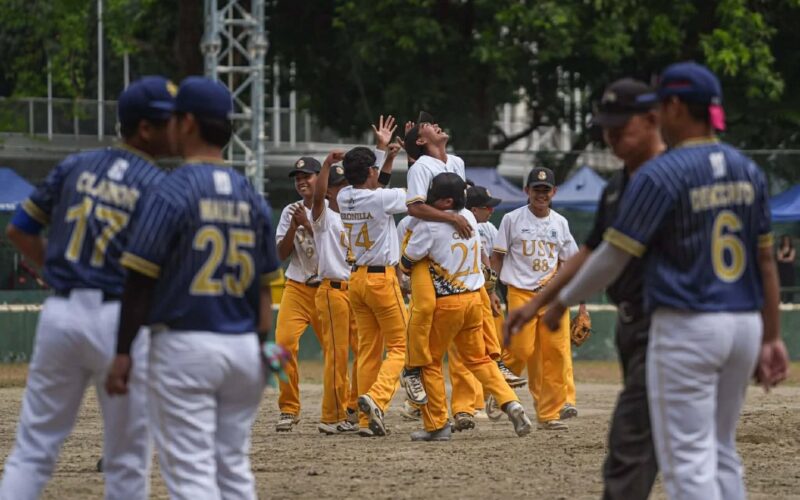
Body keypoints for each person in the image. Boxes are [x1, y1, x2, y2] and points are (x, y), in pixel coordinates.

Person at [533, 62, 789, 499]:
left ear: (672, 106)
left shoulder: (662, 173)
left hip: (688, 324)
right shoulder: (746, 169)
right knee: (721, 451)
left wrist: (560, 301)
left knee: (686, 460)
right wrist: (772, 336)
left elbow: (612, 256)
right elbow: (766, 261)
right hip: (743, 323)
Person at [0, 76, 175, 500]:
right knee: (128, 460)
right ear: (145, 129)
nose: (178, 128)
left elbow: (20, 230)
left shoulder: (75, 165)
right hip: (121, 319)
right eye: (169, 120)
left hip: (61, 314)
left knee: (33, 451)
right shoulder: (157, 185)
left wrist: (59, 270)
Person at [105, 76, 280, 499]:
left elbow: (140, 280)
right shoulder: (251, 195)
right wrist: (262, 348)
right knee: (233, 469)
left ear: (185, 123)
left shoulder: (170, 191)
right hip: (243, 350)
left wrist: (124, 351)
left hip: (185, 346)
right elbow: (264, 290)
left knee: (192, 475)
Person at [505, 78, 664, 499]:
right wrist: (552, 301)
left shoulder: (670, 177)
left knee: (668, 444)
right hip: (636, 326)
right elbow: (598, 252)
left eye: (620, 127)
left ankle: (552, 408)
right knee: (631, 450)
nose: (611, 138)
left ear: (653, 120)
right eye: (604, 130)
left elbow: (603, 256)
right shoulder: (617, 187)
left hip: (674, 324)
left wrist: (563, 302)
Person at [400, 112, 523, 407]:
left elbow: (463, 204)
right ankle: (413, 369)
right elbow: (415, 209)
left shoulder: (455, 162)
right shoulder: (420, 167)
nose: (435, 124)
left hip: (451, 244)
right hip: (423, 244)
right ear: (420, 140)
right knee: (426, 305)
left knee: (479, 298)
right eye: (427, 125)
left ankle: (496, 360)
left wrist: (458, 220)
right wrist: (450, 218)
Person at [400, 172, 532, 441]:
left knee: (430, 363)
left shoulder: (427, 227)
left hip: (446, 304)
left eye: (434, 199)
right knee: (480, 359)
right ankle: (511, 403)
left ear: (447, 201)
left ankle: (437, 425)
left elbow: (407, 261)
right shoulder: (470, 217)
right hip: (474, 300)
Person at [490, 166, 579, 431]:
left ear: (554, 192)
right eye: (536, 189)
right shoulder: (511, 219)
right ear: (526, 190)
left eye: (546, 190)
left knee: (557, 354)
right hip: (521, 294)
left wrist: (580, 302)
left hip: (552, 296)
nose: (541, 194)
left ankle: (549, 414)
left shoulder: (560, 223)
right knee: (520, 350)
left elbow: (570, 261)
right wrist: (491, 289)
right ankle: (500, 393)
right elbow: (497, 256)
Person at [338, 145, 408, 437]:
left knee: (368, 352)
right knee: (402, 346)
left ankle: (365, 420)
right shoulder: (381, 199)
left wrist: (386, 155)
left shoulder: (343, 196)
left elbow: (375, 185)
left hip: (356, 280)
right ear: (370, 172)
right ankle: (377, 399)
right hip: (382, 280)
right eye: (375, 168)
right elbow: (415, 195)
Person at [310, 150, 360, 435]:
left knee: (365, 352)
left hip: (356, 291)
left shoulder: (356, 215)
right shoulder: (324, 216)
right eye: (336, 188)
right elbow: (316, 198)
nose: (341, 192)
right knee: (337, 355)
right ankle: (331, 415)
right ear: (329, 192)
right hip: (333, 290)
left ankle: (352, 407)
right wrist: (327, 165)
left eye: (345, 187)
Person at [273, 156, 325, 432]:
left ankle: (343, 409)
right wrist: (295, 225)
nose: (302, 181)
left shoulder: (332, 207)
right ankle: (289, 409)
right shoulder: (289, 211)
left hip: (328, 288)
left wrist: (310, 224)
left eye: (308, 175)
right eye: (298, 178)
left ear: (321, 178)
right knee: (283, 346)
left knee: (337, 352)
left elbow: (335, 250)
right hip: (296, 286)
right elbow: (280, 255)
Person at [777, 234, 795, 303]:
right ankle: (781, 300)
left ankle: (789, 300)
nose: (786, 241)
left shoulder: (792, 249)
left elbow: (791, 258)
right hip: (782, 269)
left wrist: (783, 259)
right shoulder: (780, 248)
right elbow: (779, 257)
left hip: (789, 269)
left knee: (789, 283)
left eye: (787, 240)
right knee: (781, 283)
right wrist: (784, 252)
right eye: (785, 240)